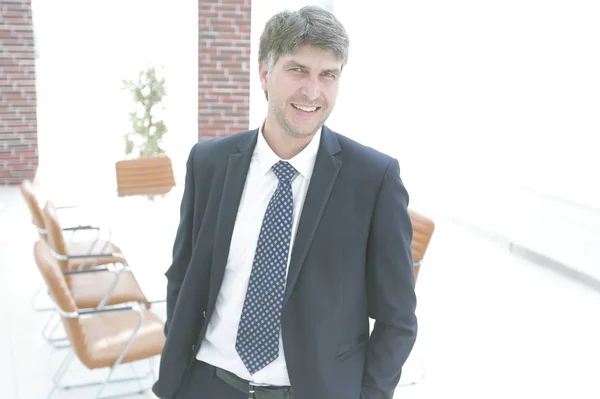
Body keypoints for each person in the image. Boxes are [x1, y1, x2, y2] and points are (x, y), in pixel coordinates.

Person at [152, 5, 416, 399]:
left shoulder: (373, 179)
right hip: (208, 385)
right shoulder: (209, 163)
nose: (313, 91)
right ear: (264, 72)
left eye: (328, 75)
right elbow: (183, 277)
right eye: (297, 70)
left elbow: (397, 320)